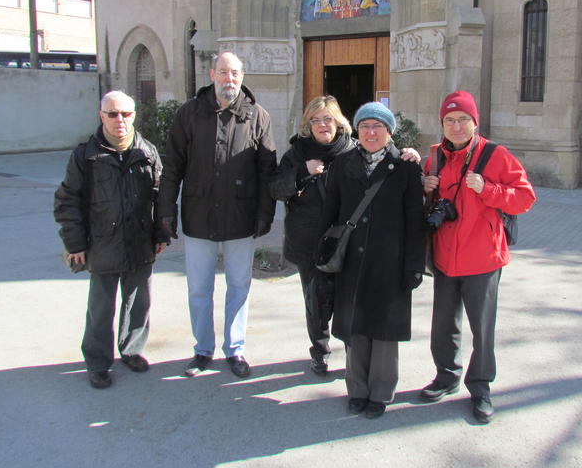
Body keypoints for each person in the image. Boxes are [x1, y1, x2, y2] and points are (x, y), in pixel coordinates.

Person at [270, 97, 423, 377]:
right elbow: (275, 189)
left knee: (349, 300)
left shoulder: (353, 149)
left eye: (327, 118)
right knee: (316, 300)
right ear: (308, 124)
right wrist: (302, 173)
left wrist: (407, 153)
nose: (322, 124)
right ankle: (320, 350)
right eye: (315, 120)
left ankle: (356, 354)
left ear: (338, 121)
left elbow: (383, 157)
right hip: (311, 241)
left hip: (352, 243)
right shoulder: (296, 154)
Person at [419, 90, 536, 423]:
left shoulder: (495, 155)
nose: (456, 127)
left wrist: (488, 189)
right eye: (449, 120)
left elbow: (525, 198)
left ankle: (481, 387)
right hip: (444, 256)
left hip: (483, 258)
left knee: (482, 328)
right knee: (443, 324)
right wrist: (425, 187)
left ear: (475, 122)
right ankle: (446, 375)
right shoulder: (435, 157)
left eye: (463, 120)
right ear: (442, 123)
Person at [158, 51, 276, 379]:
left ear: (242, 76)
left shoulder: (257, 116)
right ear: (212, 74)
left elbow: (267, 171)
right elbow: (172, 168)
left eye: (235, 73)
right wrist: (166, 209)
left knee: (239, 284)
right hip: (199, 215)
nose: (229, 79)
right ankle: (202, 349)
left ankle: (235, 348)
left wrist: (265, 213)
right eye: (223, 72)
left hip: (241, 217)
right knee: (199, 287)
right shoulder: (189, 114)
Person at [54, 90, 168, 389]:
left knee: (138, 301)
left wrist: (161, 233)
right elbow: (67, 201)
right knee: (101, 307)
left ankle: (132, 350)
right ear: (101, 116)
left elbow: (161, 198)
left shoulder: (148, 152)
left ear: (134, 116)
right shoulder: (86, 155)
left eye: (126, 114)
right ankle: (97, 362)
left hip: (140, 240)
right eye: (113, 114)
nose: (120, 120)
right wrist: (75, 243)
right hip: (102, 242)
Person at [320, 102, 425, 419]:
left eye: (377, 126)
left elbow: (415, 221)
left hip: (389, 262)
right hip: (352, 260)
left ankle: (380, 392)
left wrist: (413, 266)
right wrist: (323, 253)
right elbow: (330, 213)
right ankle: (357, 389)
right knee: (355, 328)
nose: (370, 132)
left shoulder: (405, 166)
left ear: (389, 132)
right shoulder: (343, 164)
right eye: (364, 126)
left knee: (383, 330)